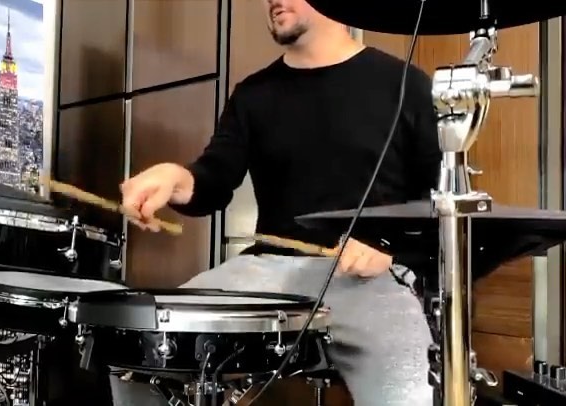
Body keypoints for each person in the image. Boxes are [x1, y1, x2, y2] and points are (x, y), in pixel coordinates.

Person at [114, 0, 441, 404]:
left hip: (370, 277)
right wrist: (175, 178)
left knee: (413, 392)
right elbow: (214, 179)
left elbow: (438, 202)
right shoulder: (253, 94)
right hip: (265, 271)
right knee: (141, 344)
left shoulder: (406, 84)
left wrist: (391, 247)